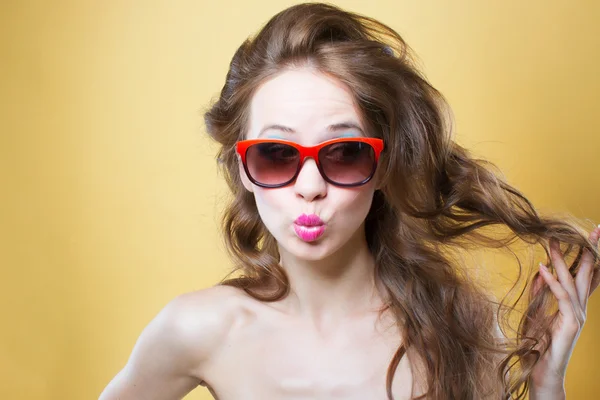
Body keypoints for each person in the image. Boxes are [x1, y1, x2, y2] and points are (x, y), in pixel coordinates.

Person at [98, 3, 600, 399]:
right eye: (276, 155)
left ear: (382, 167)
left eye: (343, 155)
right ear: (241, 169)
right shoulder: (198, 329)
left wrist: (546, 388)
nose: (310, 186)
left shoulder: (456, 322)